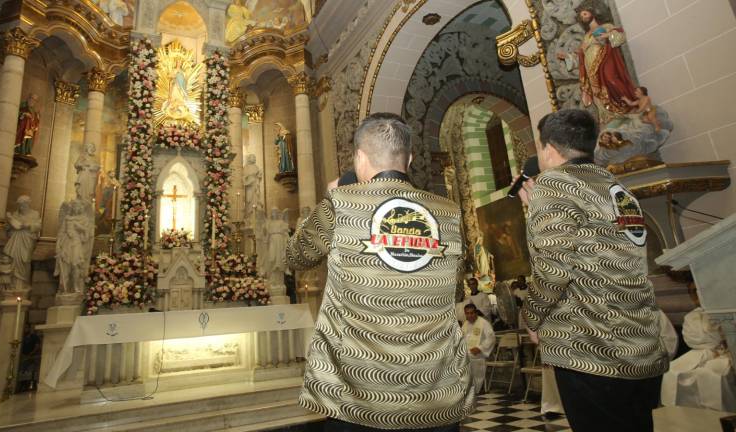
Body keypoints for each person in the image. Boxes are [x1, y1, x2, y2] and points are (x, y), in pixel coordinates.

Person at [286, 114, 473, 431]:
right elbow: (455, 290)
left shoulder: (340, 203)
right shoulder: (448, 212)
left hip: (357, 393)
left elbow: (296, 255)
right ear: (409, 159)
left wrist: (328, 198)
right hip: (436, 388)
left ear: (359, 157)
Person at [516, 109, 668, 432]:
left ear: (549, 149)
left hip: (593, 349)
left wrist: (531, 317)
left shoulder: (553, 185)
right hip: (640, 343)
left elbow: (553, 269)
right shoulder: (616, 186)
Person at [556, 1, 637, 124]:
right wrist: (567, 57)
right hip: (591, 70)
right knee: (597, 92)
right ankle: (608, 117)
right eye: (581, 16)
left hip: (606, 62)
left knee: (612, 81)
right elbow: (581, 55)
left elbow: (620, 36)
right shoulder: (586, 36)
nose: (583, 17)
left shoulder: (606, 26)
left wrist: (608, 35)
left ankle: (624, 109)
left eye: (585, 14)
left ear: (592, 13)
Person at [462, 303, 495, 394]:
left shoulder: (483, 323)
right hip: (467, 351)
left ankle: (475, 387)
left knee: (467, 358)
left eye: (472, 313)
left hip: (479, 352)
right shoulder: (465, 324)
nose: (469, 315)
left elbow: (491, 338)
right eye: (467, 313)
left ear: (476, 313)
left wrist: (480, 348)